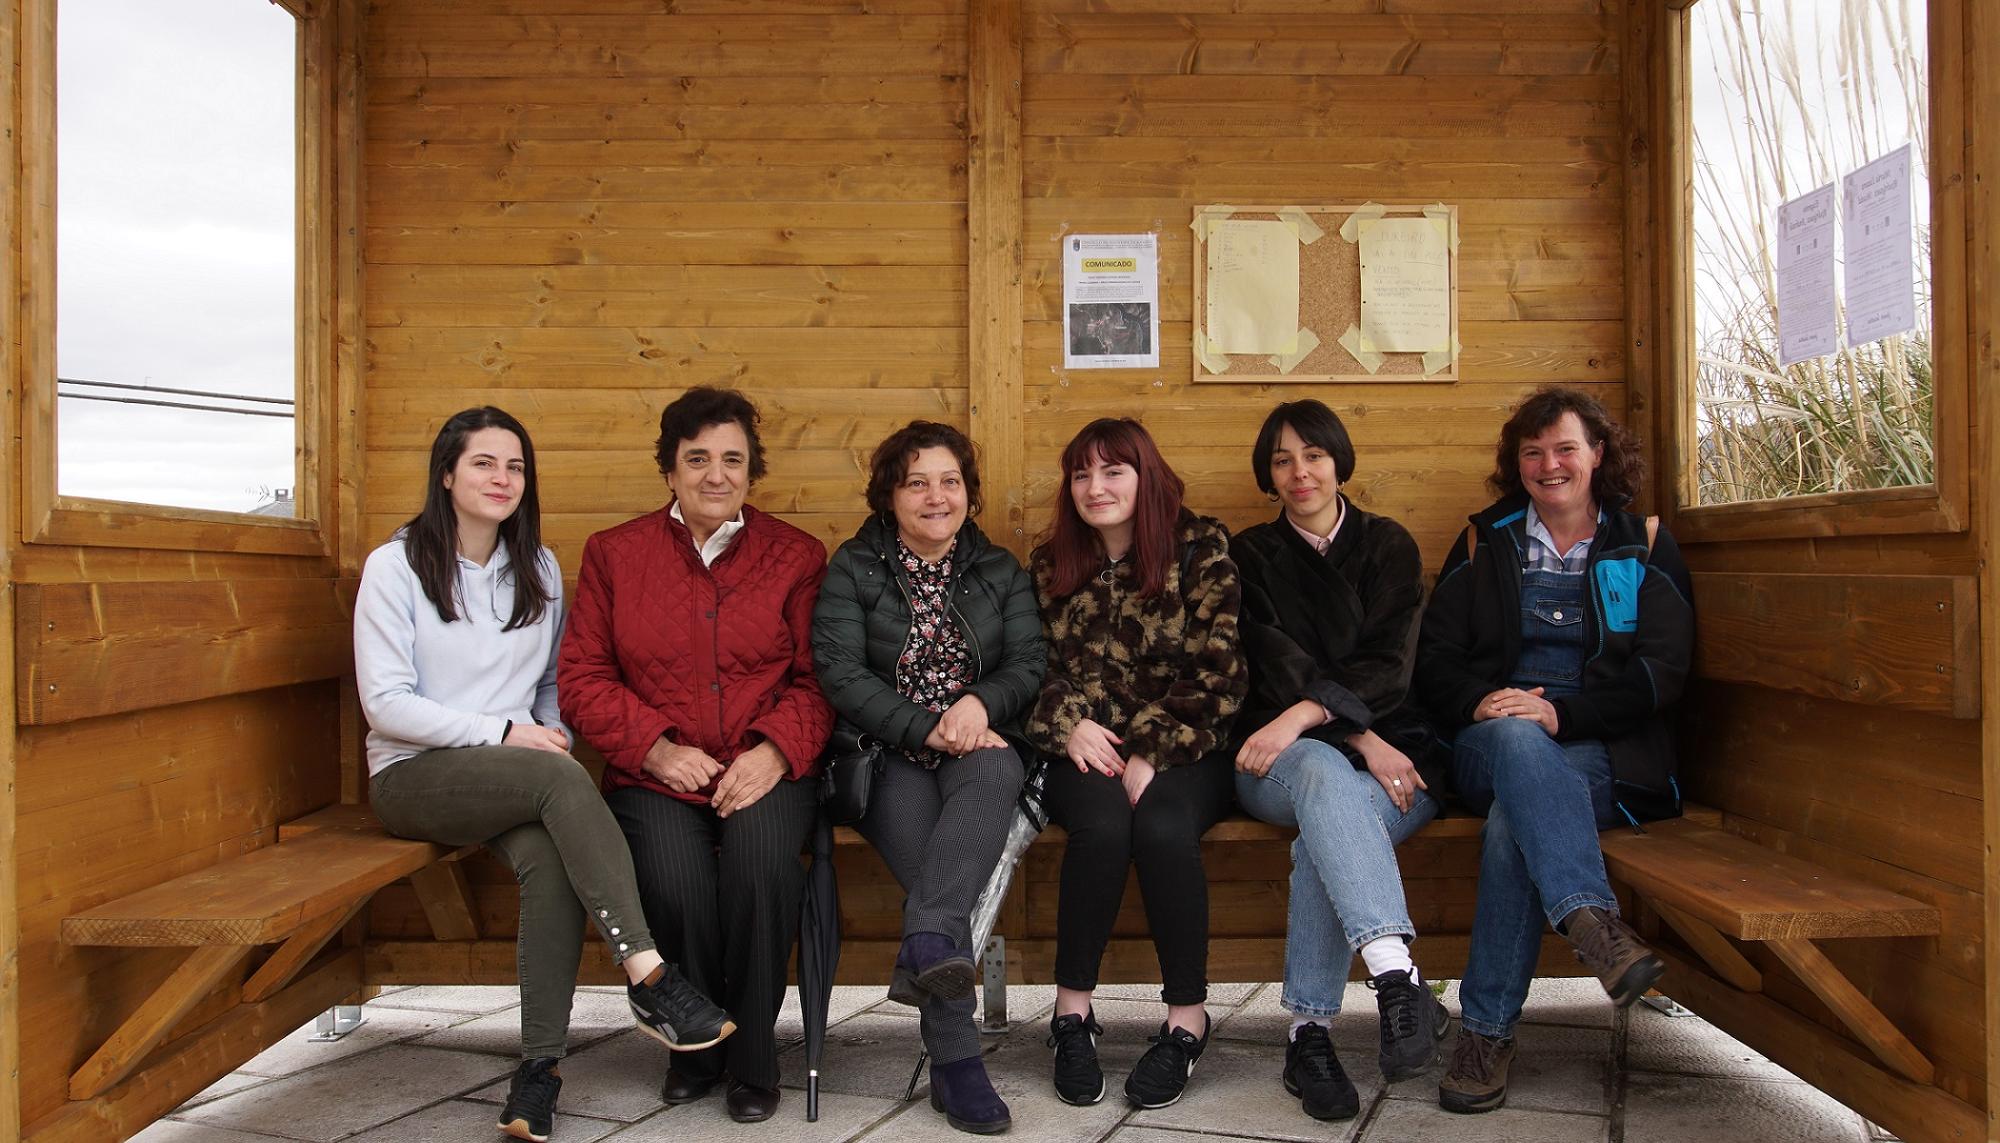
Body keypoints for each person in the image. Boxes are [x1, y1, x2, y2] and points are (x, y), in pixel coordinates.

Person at [354, 407, 733, 1143]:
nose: (502, 479)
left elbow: (554, 683)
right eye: (483, 463)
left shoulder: (538, 569)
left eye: (515, 467)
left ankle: (539, 1071)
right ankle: (650, 974)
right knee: (561, 781)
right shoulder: (395, 566)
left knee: (554, 866)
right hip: (415, 776)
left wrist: (549, 730)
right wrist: (507, 735)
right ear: (446, 474)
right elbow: (387, 704)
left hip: (515, 773)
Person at [557, 387, 834, 1125]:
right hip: (655, 774)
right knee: (673, 881)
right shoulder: (615, 554)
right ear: (670, 470)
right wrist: (655, 749)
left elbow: (821, 678)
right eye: (699, 458)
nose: (717, 475)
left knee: (760, 870)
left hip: (765, 768)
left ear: (751, 471)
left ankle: (753, 1059)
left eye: (733, 460)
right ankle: (695, 1049)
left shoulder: (796, 556)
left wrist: (774, 752)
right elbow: (582, 677)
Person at [1415, 386, 1694, 1114]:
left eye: (1565, 448)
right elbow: (1435, 661)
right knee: (1516, 740)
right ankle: (1591, 921)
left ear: (1598, 453)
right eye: (1532, 453)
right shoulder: (1484, 542)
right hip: (1490, 741)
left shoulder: (1643, 544)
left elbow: (1662, 673)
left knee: (1515, 822)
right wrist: (1480, 702)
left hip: (1601, 748)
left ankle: (1485, 1035)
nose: (1550, 465)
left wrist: (1561, 713)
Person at [811, 420, 1046, 1135]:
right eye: (916, 482)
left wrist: (979, 703)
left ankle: (926, 956)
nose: (935, 496)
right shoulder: (854, 567)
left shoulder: (999, 570)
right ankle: (958, 1063)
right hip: (888, 758)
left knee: (999, 763)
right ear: (890, 494)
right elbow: (840, 672)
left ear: (969, 493)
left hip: (978, 747)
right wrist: (926, 727)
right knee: (940, 885)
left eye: (949, 481)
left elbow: (1028, 662)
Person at [1228, 399, 1453, 1121]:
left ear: (1339, 461)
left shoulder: (1389, 545)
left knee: (1322, 841)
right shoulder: (1249, 555)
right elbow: (1272, 665)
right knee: (1323, 774)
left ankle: (1309, 1034)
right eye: (1283, 460)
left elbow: (1391, 663)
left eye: (1314, 455)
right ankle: (1395, 974)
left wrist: (1319, 716)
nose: (1301, 473)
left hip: (1399, 753)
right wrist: (1349, 733)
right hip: (1280, 758)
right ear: (1268, 474)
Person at [1025, 417, 1248, 1111]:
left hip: (1188, 745)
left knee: (1161, 826)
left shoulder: (1201, 551)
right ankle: (1071, 1016)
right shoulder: (1051, 564)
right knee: (1100, 826)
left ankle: (1186, 1020)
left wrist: (1153, 746)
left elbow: (1221, 672)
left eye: (1113, 470)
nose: (1096, 487)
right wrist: (1069, 725)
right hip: (1084, 746)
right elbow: (1029, 666)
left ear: (1145, 476)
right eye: (1082, 474)